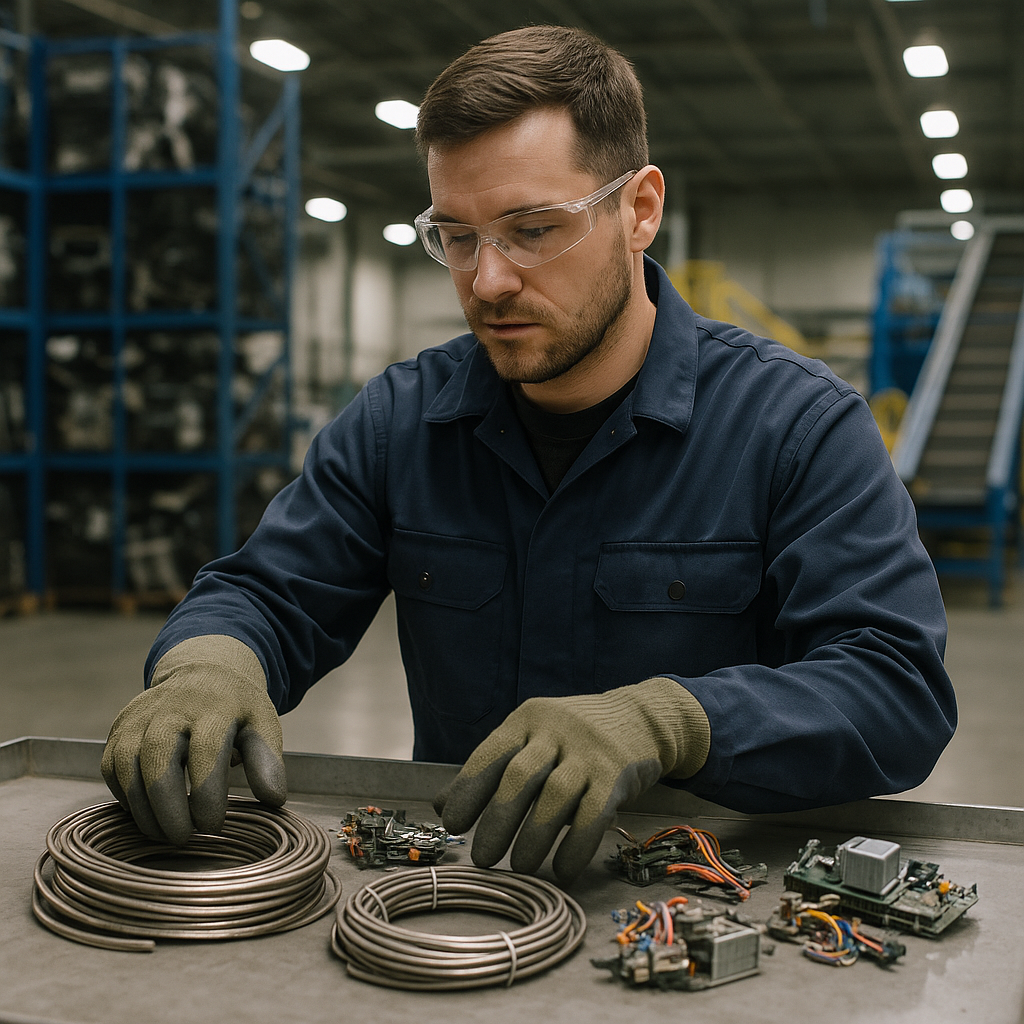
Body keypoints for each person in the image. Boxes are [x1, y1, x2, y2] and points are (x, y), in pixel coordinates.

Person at [102, 25, 956, 886]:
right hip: (462, 903)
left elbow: (895, 690)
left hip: (696, 900)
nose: (489, 281)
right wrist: (209, 664)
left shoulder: (797, 427)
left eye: (533, 229)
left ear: (641, 209)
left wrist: (671, 722)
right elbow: (267, 593)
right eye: (458, 236)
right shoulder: (401, 422)